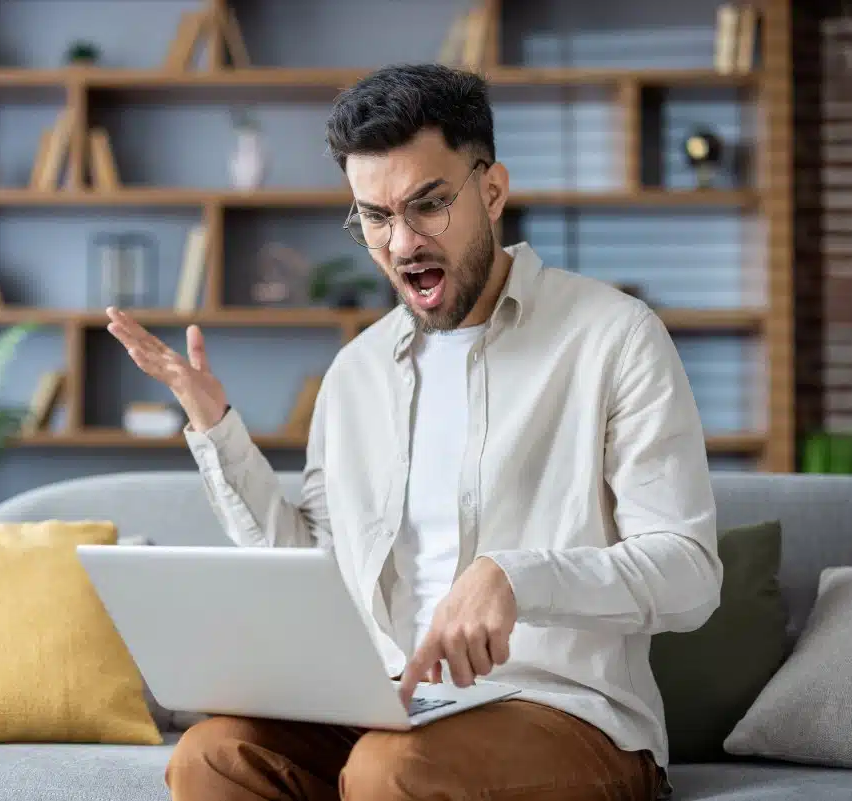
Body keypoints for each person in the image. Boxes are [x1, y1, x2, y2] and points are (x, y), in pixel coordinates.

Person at [106, 63, 722, 801]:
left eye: (428, 205)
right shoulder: (355, 373)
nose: (401, 243)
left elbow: (689, 573)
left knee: (389, 772)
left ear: (491, 191)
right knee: (211, 754)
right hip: (389, 703)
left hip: (564, 710)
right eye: (374, 215)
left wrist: (516, 577)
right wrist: (215, 424)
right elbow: (320, 572)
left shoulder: (614, 337)